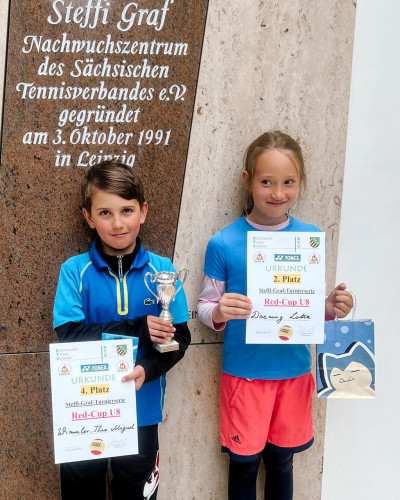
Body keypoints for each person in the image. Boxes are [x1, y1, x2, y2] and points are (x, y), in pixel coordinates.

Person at [197, 131, 353, 500]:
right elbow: (204, 305)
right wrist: (218, 311)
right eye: (266, 182)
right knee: (245, 463)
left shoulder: (309, 239)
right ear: (247, 180)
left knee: (283, 461)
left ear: (301, 182)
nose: (278, 193)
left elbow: (304, 304)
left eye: (288, 182)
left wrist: (330, 306)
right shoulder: (223, 242)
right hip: (246, 375)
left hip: (294, 372)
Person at [53, 161, 190, 500]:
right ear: (89, 218)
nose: (117, 223)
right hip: (84, 412)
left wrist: (148, 368)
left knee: (136, 494)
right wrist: (137, 327)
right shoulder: (74, 271)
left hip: (142, 410)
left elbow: (180, 338)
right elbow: (69, 334)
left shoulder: (163, 270)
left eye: (126, 210)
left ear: (143, 212)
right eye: (105, 213)